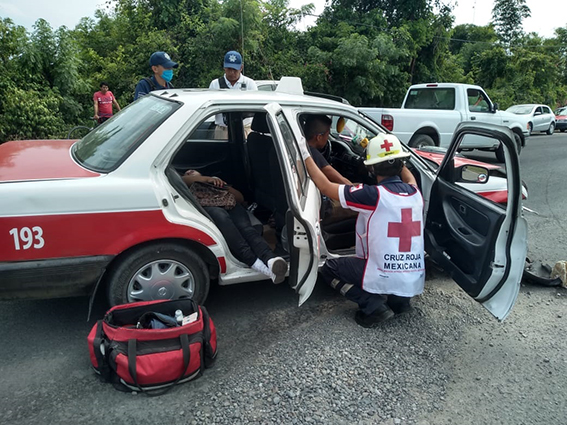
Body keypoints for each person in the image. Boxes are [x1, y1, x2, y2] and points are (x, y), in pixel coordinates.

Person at [300, 133, 425, 328]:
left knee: (329, 268)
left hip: (382, 271)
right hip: (411, 274)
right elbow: (410, 178)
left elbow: (325, 187)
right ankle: (400, 302)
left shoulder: (373, 195)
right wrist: (397, 159)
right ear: (401, 164)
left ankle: (373, 306)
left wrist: (304, 153)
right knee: (396, 271)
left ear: (371, 168)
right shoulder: (415, 193)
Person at [182, 170, 287, 284]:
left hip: (229, 203)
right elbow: (185, 180)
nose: (189, 172)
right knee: (227, 224)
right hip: (208, 206)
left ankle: (271, 259)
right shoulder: (187, 185)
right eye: (187, 172)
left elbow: (240, 198)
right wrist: (207, 180)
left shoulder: (216, 180)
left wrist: (223, 186)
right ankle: (258, 264)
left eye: (193, 171)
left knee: (247, 229)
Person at [209, 51, 257, 138]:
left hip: (245, 129)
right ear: (224, 67)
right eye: (229, 69)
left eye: (235, 70)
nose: (231, 73)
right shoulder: (215, 84)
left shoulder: (250, 84)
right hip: (222, 130)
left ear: (241, 67)